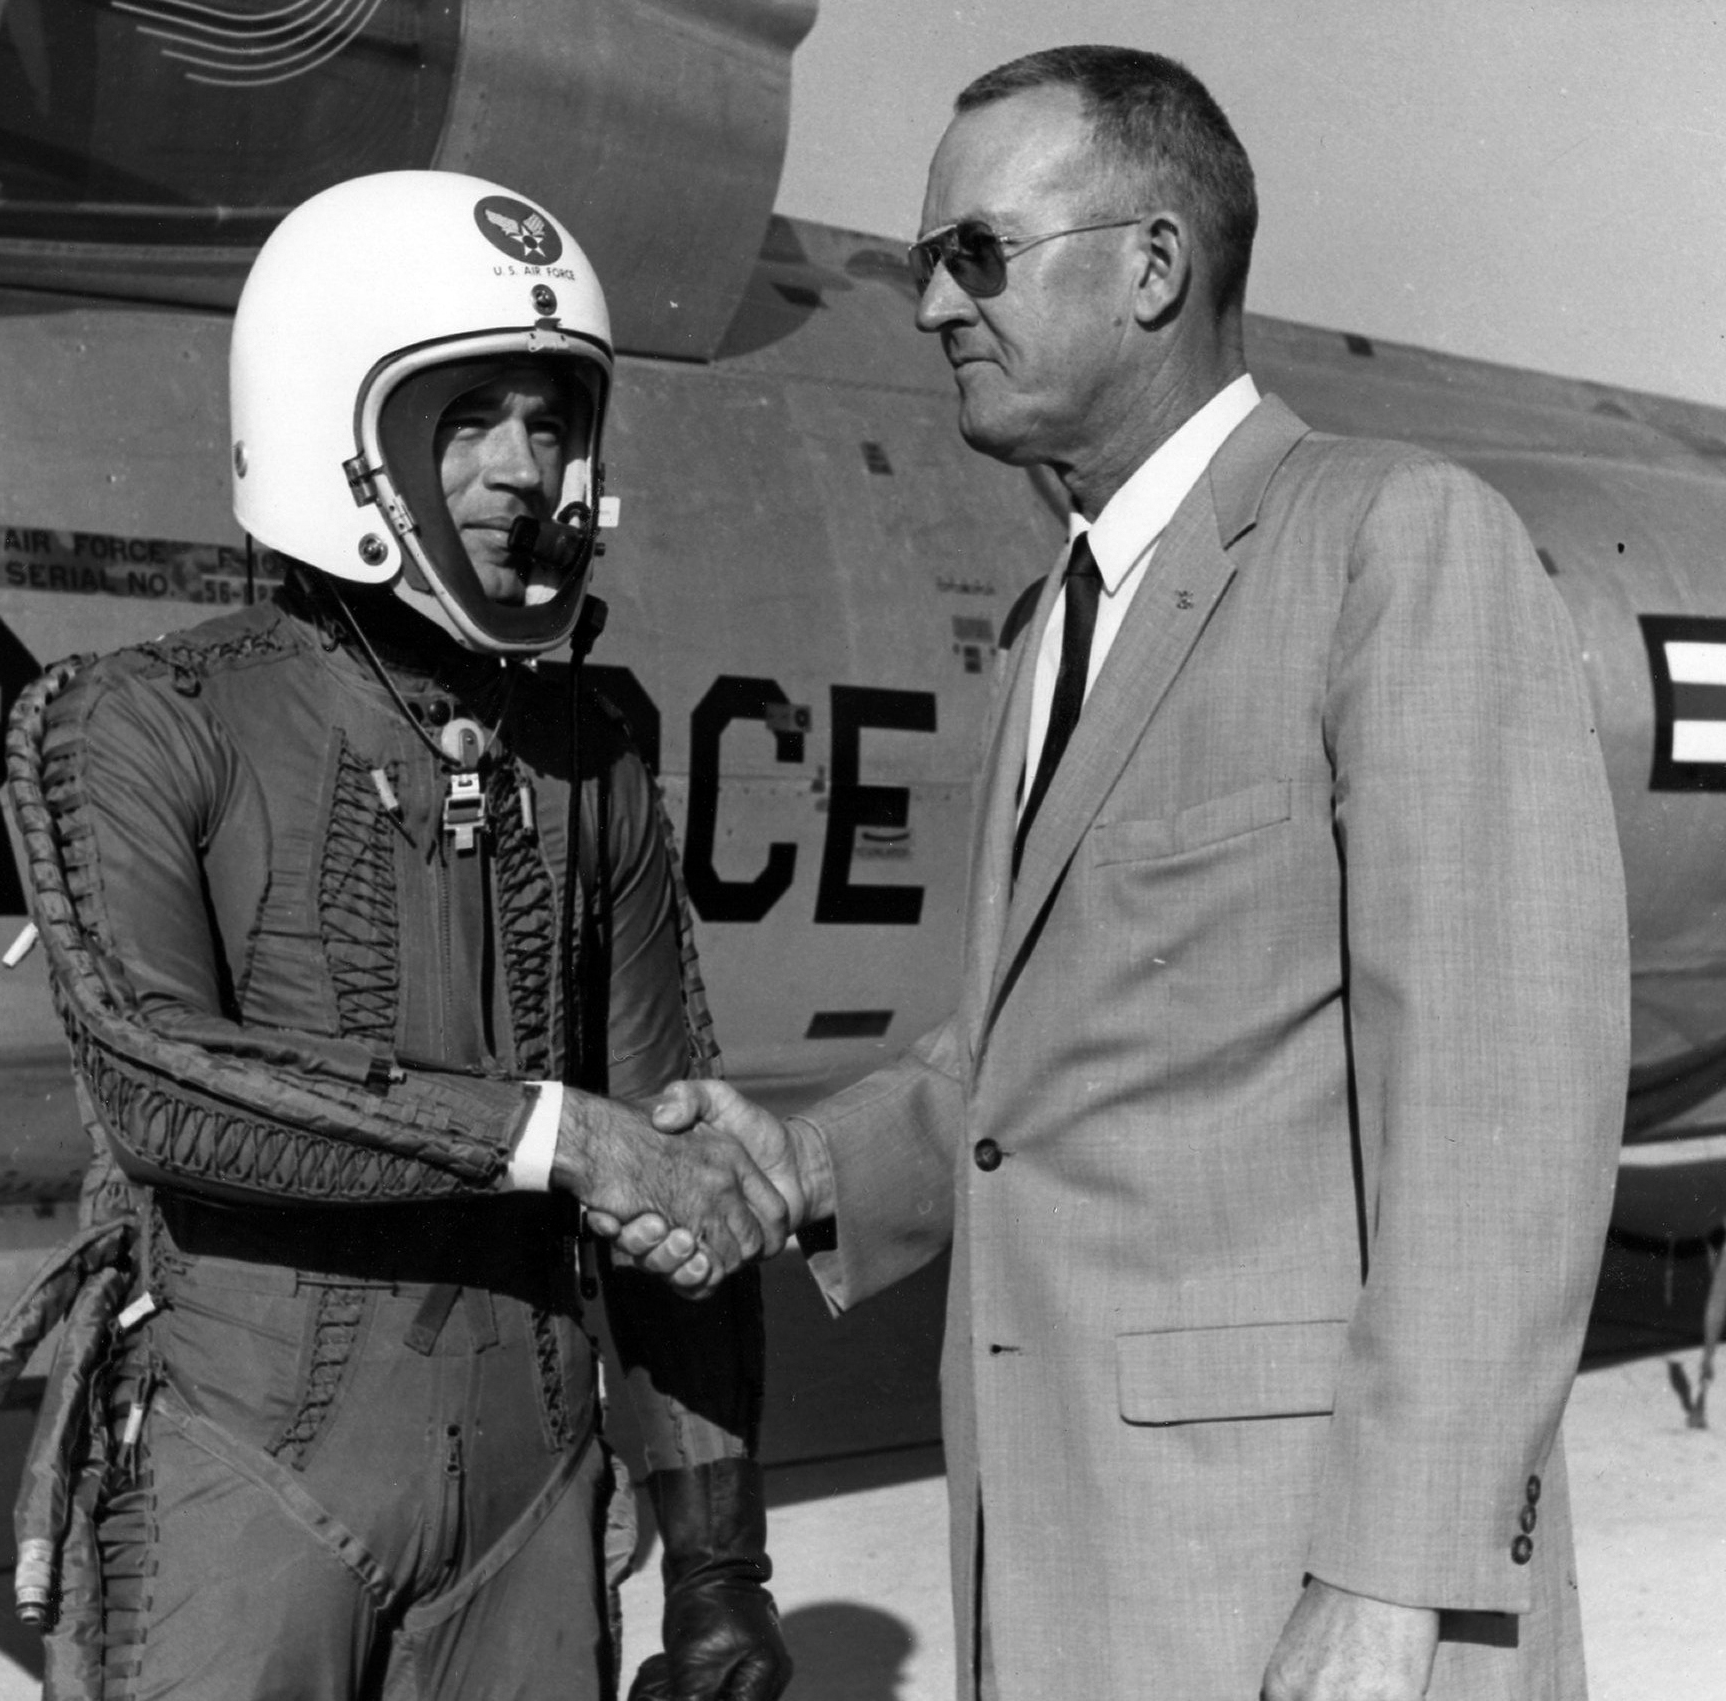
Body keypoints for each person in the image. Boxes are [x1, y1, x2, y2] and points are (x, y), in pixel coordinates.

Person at [625, 46, 1628, 1701]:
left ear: (1152, 264)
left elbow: (1498, 1112)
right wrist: (807, 1160)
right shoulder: (1055, 620)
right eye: (916, 262)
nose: (932, 305)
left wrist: (1392, 1581)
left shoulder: (1388, 542)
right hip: (1069, 1571)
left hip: (1294, 1573)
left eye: (975, 254)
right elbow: (1033, 1076)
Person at [0, 172, 792, 1701]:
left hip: (532, 1512)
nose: (528, 471)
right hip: (243, 1490)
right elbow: (163, 1082)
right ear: (339, 431)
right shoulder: (135, 721)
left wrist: (719, 1563)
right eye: (469, 418)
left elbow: (678, 1176)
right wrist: (551, 1137)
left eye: (552, 419)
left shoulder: (595, 758)